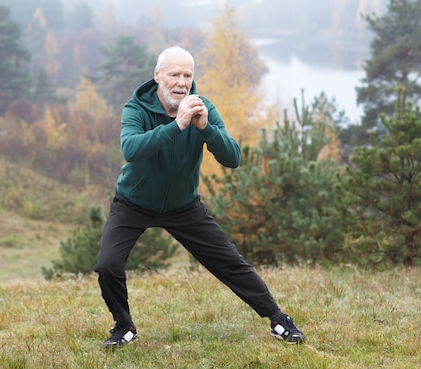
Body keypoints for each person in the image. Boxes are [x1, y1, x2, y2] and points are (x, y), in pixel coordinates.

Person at [94, 45, 305, 348]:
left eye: (187, 75)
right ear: (157, 76)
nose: (181, 82)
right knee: (107, 265)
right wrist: (177, 125)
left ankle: (277, 319)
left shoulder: (203, 107)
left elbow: (233, 158)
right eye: (174, 74)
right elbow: (131, 149)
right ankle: (124, 325)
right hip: (133, 203)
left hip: (183, 207)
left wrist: (205, 128)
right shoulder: (136, 108)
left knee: (230, 262)